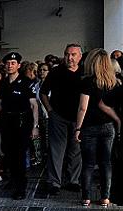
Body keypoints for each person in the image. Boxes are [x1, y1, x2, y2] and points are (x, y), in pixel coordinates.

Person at [74, 49, 122, 207]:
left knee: (88, 163)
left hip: (88, 127)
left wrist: (78, 128)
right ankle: (105, 197)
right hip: (108, 126)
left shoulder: (87, 81)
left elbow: (83, 107)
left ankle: (86, 198)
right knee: (106, 163)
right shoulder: (114, 82)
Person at [0, 52, 39, 200]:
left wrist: (35, 126)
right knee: (8, 152)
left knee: (19, 155)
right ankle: (13, 180)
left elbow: (34, 106)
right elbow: (0, 101)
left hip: (22, 121)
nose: (9, 65)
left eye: (13, 63)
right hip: (7, 121)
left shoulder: (26, 81)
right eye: (7, 63)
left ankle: (21, 187)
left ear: (18, 65)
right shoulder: (4, 82)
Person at [41, 44, 84, 195]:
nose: (69, 58)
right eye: (67, 54)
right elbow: (43, 93)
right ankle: (54, 182)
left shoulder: (85, 72)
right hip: (58, 116)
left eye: (73, 54)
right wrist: (50, 111)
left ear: (80, 56)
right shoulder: (56, 72)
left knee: (76, 150)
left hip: (78, 118)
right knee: (56, 150)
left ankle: (73, 180)